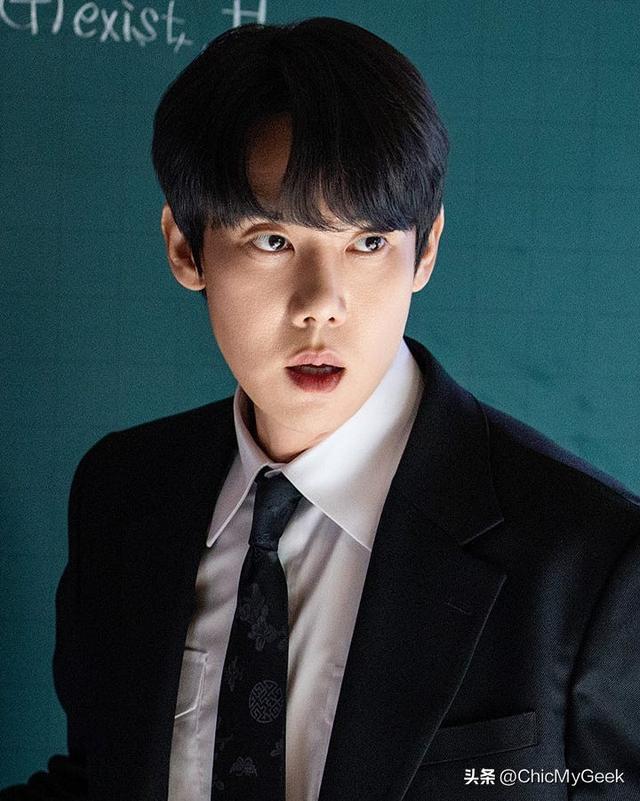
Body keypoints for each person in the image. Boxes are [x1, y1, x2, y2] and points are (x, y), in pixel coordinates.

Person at [2, 16, 639, 801]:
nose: (321, 303)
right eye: (273, 241)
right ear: (185, 247)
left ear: (426, 249)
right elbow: (97, 779)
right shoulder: (123, 493)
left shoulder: (588, 556)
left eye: (368, 243)